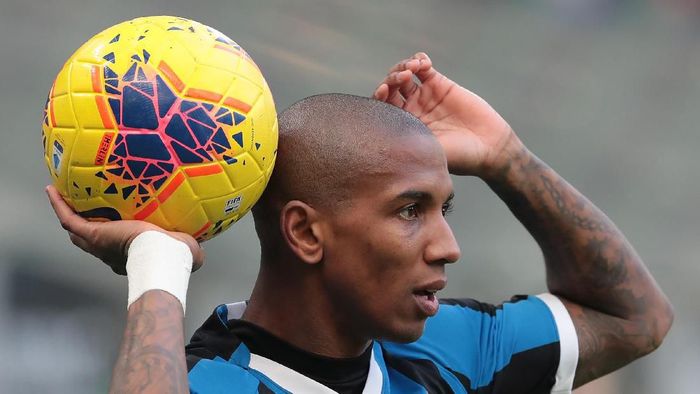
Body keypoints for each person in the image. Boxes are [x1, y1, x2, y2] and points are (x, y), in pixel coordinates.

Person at [47, 53, 673, 394]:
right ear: (305, 233)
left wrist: (509, 160)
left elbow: (636, 319)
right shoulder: (218, 382)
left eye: (443, 209)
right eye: (410, 211)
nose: (448, 248)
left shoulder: (445, 350)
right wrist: (158, 266)